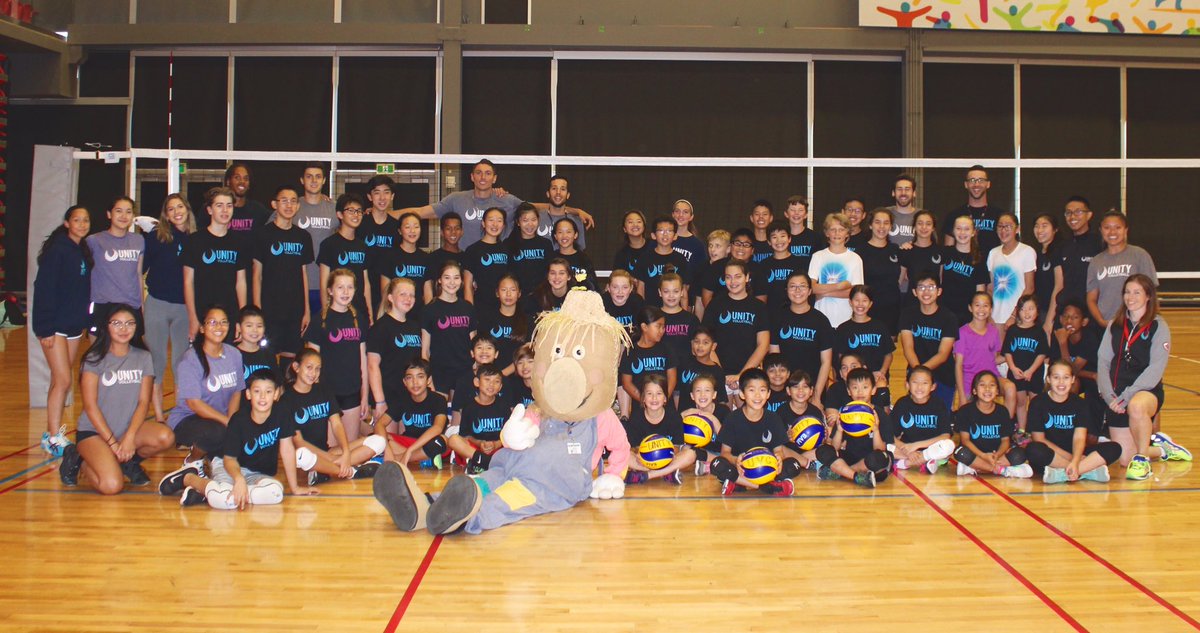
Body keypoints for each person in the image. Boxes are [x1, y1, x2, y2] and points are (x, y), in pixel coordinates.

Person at [159, 369, 317, 509]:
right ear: (248, 394)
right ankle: (189, 479)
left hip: (257, 473)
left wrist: (295, 487)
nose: (263, 397)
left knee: (276, 493)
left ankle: (209, 493)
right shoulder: (239, 420)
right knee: (226, 501)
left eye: (268, 392)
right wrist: (239, 479)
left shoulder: (282, 413)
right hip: (230, 467)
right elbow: (229, 459)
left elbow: (287, 449)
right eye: (257, 391)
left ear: (276, 394)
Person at [58, 304, 172, 493]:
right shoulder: (94, 358)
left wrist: (129, 438)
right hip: (95, 432)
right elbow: (90, 406)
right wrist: (112, 442)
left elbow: (143, 402)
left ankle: (125, 462)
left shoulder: (143, 357)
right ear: (107, 326)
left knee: (165, 437)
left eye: (130, 323)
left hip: (127, 429)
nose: (124, 329)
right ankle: (80, 460)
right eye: (117, 323)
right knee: (111, 486)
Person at [1096, 274, 1191, 480]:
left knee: (1137, 406)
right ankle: (1163, 449)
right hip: (1116, 398)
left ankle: (1143, 461)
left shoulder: (1158, 326)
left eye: (1137, 292)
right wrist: (1110, 396)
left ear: (1148, 296)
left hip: (1144, 393)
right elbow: (1102, 362)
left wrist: (1127, 396)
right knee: (1125, 459)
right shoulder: (1115, 324)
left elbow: (1155, 369)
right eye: (1127, 292)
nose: (1130, 297)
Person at [400, 159, 593, 248]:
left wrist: (576, 210)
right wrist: (386, 214)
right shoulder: (457, 198)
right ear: (472, 177)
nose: (483, 177)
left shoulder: (506, 199)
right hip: (466, 260)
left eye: (488, 173)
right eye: (478, 173)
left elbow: (535, 207)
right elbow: (422, 212)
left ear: (494, 178)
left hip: (499, 262)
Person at [32, 205, 93, 456]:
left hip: (73, 326)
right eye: (77, 220)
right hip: (54, 326)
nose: (82, 224)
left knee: (59, 380)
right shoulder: (57, 250)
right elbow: (43, 289)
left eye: (86, 220)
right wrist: (44, 328)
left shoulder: (82, 250)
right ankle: (53, 436)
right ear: (67, 223)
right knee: (64, 380)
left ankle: (51, 434)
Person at [278, 348, 386, 484]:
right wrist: (333, 459)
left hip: (328, 451)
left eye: (318, 369)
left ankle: (324, 470)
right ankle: (351, 472)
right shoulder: (287, 400)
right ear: (296, 367)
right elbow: (299, 442)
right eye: (309, 367)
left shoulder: (324, 391)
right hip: (305, 454)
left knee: (379, 441)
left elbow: (336, 424)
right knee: (301, 455)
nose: (313, 373)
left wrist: (345, 452)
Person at [167, 305, 244, 464]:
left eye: (223, 322)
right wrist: (227, 422)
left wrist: (232, 420)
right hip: (188, 418)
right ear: (202, 328)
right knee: (217, 433)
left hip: (220, 418)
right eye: (212, 322)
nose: (219, 327)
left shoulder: (234, 354)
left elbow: (237, 392)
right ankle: (192, 461)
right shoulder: (190, 359)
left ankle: (213, 458)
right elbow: (194, 404)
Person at [142, 194, 195, 423]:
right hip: (157, 304)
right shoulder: (156, 237)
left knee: (181, 362)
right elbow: (140, 269)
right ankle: (158, 415)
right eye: (171, 209)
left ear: (187, 209)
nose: (176, 212)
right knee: (157, 360)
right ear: (166, 214)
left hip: (184, 308)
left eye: (180, 207)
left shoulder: (195, 238)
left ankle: (180, 413)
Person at [1026, 360, 1122, 484]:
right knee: (1033, 449)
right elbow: (1039, 439)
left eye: (1066, 377)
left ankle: (1064, 474)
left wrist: (1076, 460)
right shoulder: (1038, 403)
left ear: (1072, 379)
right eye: (1056, 377)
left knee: (1115, 448)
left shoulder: (1080, 404)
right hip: (1051, 457)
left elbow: (1079, 437)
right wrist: (1073, 460)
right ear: (1048, 379)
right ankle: (1084, 470)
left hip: (1076, 453)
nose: (1061, 382)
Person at [709, 368, 797, 496]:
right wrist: (736, 460)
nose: (757, 395)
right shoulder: (732, 418)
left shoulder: (774, 418)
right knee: (717, 464)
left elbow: (779, 450)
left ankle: (739, 484)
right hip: (741, 469)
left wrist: (778, 459)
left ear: (768, 394)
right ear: (742, 394)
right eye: (751, 390)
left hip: (766, 468)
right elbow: (725, 453)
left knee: (793, 464)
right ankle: (767, 486)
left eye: (762, 390)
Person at [304, 268, 368, 443]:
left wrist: (364, 395)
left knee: (350, 446)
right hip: (327, 393)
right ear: (330, 291)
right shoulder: (319, 321)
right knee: (331, 448)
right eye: (340, 287)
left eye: (350, 287)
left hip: (352, 392)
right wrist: (314, 396)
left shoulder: (359, 319)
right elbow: (311, 363)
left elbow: (363, 361)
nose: (346, 292)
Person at [253, 186, 314, 360]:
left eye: (293, 201)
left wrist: (306, 310)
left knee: (291, 360)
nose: (289, 205)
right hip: (270, 309)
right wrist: (257, 310)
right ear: (274, 204)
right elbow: (257, 275)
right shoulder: (262, 234)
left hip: (295, 310)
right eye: (284, 201)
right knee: (267, 358)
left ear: (298, 206)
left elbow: (304, 274)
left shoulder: (303, 236)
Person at [182, 187, 248, 342]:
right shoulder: (194, 241)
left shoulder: (239, 242)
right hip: (203, 314)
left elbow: (241, 282)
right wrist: (193, 318)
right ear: (210, 210)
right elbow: (188, 282)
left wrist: (242, 318)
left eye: (229, 205)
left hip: (230, 315)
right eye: (219, 205)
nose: (225, 210)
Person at [702, 260, 770, 402]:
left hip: (748, 376)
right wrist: (721, 374)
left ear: (747, 277)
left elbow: (763, 345)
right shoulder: (715, 304)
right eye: (728, 277)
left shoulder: (759, 307)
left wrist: (741, 375)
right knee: (722, 415)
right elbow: (706, 342)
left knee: (748, 415)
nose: (733, 282)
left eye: (738, 276)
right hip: (719, 374)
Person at [813, 367, 890, 488]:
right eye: (855, 388)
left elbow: (880, 449)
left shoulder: (880, 414)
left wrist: (875, 430)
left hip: (869, 460)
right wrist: (839, 430)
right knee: (822, 450)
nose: (860, 392)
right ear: (849, 391)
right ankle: (857, 477)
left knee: (880, 459)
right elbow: (835, 447)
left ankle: (841, 472)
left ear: (873, 390)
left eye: (865, 387)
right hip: (848, 457)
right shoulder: (845, 413)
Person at [770, 271, 834, 408]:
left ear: (810, 291)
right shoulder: (778, 318)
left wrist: (816, 395)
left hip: (811, 389)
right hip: (784, 391)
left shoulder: (821, 321)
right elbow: (775, 358)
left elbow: (826, 362)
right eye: (793, 286)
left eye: (802, 286)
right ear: (786, 290)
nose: (797, 290)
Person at [952, 371, 1032, 478]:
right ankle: (1001, 470)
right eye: (982, 385)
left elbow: (1005, 440)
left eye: (992, 385)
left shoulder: (1002, 411)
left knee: (1020, 453)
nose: (987, 389)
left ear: (997, 391)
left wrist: (997, 455)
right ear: (974, 391)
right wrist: (983, 456)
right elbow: (965, 440)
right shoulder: (965, 411)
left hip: (997, 455)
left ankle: (977, 467)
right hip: (977, 454)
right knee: (960, 452)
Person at [1086, 211, 1158, 330]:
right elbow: (1091, 298)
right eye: (1107, 228)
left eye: (1118, 227)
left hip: (1135, 324)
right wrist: (1101, 321)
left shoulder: (1140, 255)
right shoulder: (1096, 261)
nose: (1112, 232)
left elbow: (1151, 292)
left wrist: (1145, 321)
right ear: (1101, 230)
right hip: (1106, 326)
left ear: (1126, 230)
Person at [86, 196, 145, 338]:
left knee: (131, 350)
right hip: (103, 305)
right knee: (100, 350)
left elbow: (138, 273)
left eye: (128, 212)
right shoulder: (94, 241)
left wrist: (141, 304)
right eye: (119, 211)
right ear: (109, 214)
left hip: (131, 305)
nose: (124, 216)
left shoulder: (138, 240)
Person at [898, 273, 959, 409]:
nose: (926, 291)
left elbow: (943, 354)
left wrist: (921, 373)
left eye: (931, 287)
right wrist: (918, 375)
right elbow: (908, 348)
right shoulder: (907, 314)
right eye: (921, 287)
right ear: (914, 292)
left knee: (941, 416)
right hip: (916, 372)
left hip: (943, 376)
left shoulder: (949, 318)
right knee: (917, 414)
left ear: (939, 291)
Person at [367, 277, 423, 423]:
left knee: (405, 437)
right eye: (402, 294)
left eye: (411, 295)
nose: (408, 299)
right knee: (386, 437)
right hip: (387, 395)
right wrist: (380, 401)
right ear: (390, 297)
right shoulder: (380, 328)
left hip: (409, 394)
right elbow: (372, 366)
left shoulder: (415, 326)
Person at [954, 292, 1018, 419]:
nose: (981, 309)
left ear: (991, 309)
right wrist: (962, 395)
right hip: (970, 379)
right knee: (970, 416)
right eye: (977, 305)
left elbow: (993, 359)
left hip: (991, 376)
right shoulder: (962, 332)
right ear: (970, 308)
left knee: (1010, 388)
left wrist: (1012, 354)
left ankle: (1005, 426)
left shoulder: (993, 331)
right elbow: (958, 365)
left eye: (985, 306)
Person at [623, 374, 695, 485]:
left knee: (690, 454)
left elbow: (676, 448)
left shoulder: (674, 417)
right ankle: (666, 473)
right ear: (643, 398)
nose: (654, 398)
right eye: (649, 394)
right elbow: (634, 448)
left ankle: (646, 475)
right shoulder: (636, 417)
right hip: (645, 461)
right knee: (624, 455)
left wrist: (662, 458)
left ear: (665, 398)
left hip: (668, 459)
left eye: (659, 393)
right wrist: (642, 456)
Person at [378, 358, 450, 469]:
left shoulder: (438, 400)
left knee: (440, 441)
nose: (415, 382)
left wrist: (410, 451)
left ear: (428, 380)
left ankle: (396, 459)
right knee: (377, 437)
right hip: (408, 442)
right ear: (404, 382)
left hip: (429, 443)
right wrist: (387, 449)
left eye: (420, 377)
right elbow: (379, 424)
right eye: (409, 378)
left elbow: (437, 428)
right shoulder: (401, 399)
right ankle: (422, 459)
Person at [421, 260, 476, 395]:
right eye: (447, 277)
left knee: (462, 408)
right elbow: (425, 351)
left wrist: (475, 368)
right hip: (440, 371)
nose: (452, 282)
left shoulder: (468, 308)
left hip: (464, 370)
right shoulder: (429, 310)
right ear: (439, 280)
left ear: (462, 281)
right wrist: (427, 376)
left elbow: (473, 344)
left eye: (456, 278)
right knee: (440, 408)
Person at [316, 193, 373, 321]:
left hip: (360, 311)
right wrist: (326, 314)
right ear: (340, 214)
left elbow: (365, 283)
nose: (356, 215)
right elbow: (324, 283)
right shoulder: (328, 244)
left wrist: (370, 313)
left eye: (359, 211)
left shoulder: (362, 246)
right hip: (336, 311)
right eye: (351, 211)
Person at [888, 366, 956, 473]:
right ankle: (927, 461)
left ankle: (907, 463)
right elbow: (889, 434)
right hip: (907, 449)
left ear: (933, 386)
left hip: (931, 449)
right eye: (915, 382)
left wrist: (916, 446)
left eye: (925, 383)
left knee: (949, 445)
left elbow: (945, 436)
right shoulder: (902, 404)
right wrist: (905, 449)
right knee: (886, 445)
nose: (919, 387)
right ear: (907, 385)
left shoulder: (938, 404)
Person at [446, 364, 510, 473]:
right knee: (453, 440)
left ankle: (479, 464)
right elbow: (466, 435)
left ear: (500, 387)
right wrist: (479, 443)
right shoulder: (469, 406)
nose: (491, 384)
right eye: (487, 380)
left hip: (497, 449)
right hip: (476, 450)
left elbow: (508, 434)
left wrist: (496, 444)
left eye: (496, 381)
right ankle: (485, 462)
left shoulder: (504, 406)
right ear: (477, 382)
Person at [1003, 295, 1050, 435]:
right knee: (1020, 402)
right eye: (1023, 309)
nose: (1027, 313)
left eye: (1031, 309)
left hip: (1034, 373)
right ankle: (1022, 430)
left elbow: (1042, 354)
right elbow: (1007, 352)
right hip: (1016, 372)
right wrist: (1012, 368)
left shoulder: (1039, 331)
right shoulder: (1012, 330)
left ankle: (1035, 430)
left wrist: (1031, 370)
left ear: (1037, 311)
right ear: (1018, 311)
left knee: (1035, 403)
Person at [833, 285, 892, 398]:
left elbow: (888, 354)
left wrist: (882, 372)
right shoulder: (843, 329)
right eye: (857, 300)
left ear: (870, 303)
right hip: (854, 383)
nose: (860, 304)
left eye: (864, 300)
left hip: (876, 380)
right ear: (850, 302)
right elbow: (840, 358)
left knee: (880, 407)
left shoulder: (880, 326)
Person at [296, 163, 339, 311]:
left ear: (324, 180)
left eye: (318, 176)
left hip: (327, 285)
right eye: (309, 176)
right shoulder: (292, 206)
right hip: (298, 284)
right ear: (302, 180)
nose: (314, 180)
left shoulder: (334, 208)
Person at [809, 212, 864, 328]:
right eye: (833, 229)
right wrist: (840, 286)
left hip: (846, 318)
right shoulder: (818, 256)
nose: (837, 233)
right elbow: (811, 288)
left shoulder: (855, 258)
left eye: (841, 229)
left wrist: (824, 292)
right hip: (821, 318)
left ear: (847, 233)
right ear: (827, 233)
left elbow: (856, 293)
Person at [619, 306, 678, 409]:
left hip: (665, 407)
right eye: (658, 326)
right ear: (644, 327)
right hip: (641, 408)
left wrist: (663, 399)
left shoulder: (666, 348)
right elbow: (627, 383)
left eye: (663, 327)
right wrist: (645, 401)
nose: (662, 330)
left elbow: (672, 378)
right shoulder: (631, 351)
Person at [859, 209, 905, 335]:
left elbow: (899, 279)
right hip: (868, 308)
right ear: (870, 225)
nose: (882, 226)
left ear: (890, 226)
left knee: (890, 345)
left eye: (886, 223)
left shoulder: (895, 249)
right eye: (877, 222)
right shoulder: (861, 251)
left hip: (892, 308)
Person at [1056, 195, 1104, 318]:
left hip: (1092, 314)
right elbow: (1059, 284)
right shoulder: (1063, 246)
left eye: (1078, 212)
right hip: (1066, 314)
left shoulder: (1100, 244)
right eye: (1068, 213)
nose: (1072, 217)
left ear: (1089, 215)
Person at [986, 213, 1036, 328]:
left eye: (1008, 226)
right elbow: (990, 288)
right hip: (995, 317)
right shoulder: (993, 253)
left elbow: (1029, 288)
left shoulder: (1027, 251)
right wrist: (988, 314)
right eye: (1000, 226)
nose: (1003, 230)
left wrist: (1014, 315)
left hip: (1019, 317)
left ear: (1017, 229)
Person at [940, 165, 1003, 254]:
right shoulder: (954, 215)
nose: (976, 184)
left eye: (981, 180)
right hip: (962, 263)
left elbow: (1006, 249)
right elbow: (948, 252)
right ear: (966, 184)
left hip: (992, 263)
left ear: (988, 184)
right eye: (972, 180)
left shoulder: (999, 215)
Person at [380, 212, 431, 320]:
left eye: (416, 227)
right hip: (395, 315)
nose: (412, 231)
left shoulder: (426, 258)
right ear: (400, 231)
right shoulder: (389, 256)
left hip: (418, 316)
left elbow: (428, 292)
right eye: (407, 227)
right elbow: (385, 290)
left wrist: (428, 317)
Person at [940, 215, 990, 325]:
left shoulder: (979, 259)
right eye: (958, 228)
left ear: (973, 232)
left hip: (967, 316)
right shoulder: (945, 252)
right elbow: (939, 280)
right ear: (953, 231)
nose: (962, 233)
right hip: (945, 312)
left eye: (967, 229)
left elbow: (980, 293)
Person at [359, 175, 400, 306]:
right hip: (362, 288)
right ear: (370, 196)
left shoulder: (397, 227)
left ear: (392, 196)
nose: (382, 198)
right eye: (377, 193)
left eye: (386, 192)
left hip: (388, 291)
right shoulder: (360, 224)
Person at [477, 274, 530, 373]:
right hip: (490, 375)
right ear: (497, 293)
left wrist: (503, 374)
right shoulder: (487, 319)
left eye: (513, 290)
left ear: (519, 293)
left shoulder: (527, 321)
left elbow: (526, 354)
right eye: (504, 290)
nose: (508, 294)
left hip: (518, 375)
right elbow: (481, 348)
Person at [635, 215, 691, 308]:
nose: (665, 234)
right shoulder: (645, 258)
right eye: (661, 231)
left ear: (675, 236)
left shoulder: (681, 259)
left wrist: (684, 313)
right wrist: (642, 311)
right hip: (651, 311)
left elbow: (683, 290)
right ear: (653, 235)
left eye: (669, 231)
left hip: (673, 310)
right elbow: (640, 289)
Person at [462, 207, 510, 311]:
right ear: (483, 223)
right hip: (481, 307)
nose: (495, 224)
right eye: (491, 220)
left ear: (503, 225)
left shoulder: (507, 249)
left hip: (504, 308)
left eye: (499, 221)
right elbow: (468, 286)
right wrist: (469, 312)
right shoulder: (472, 250)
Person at [684, 372, 731, 475]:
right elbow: (676, 434)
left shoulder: (723, 411)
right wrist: (681, 415)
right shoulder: (690, 413)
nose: (702, 394)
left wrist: (712, 418)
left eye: (707, 390)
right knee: (685, 449)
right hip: (698, 451)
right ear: (692, 396)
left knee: (728, 458)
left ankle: (710, 466)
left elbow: (727, 440)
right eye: (698, 391)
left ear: (714, 394)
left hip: (719, 453)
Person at [677, 325, 729, 410]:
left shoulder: (717, 371)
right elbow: (677, 392)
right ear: (692, 343)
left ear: (713, 346)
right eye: (697, 341)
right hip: (684, 414)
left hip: (706, 416)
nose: (700, 346)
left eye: (705, 343)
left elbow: (721, 401)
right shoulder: (684, 363)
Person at [507, 202, 553, 295]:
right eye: (525, 220)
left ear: (538, 220)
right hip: (517, 296)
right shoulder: (508, 244)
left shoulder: (545, 244)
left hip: (542, 295)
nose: (530, 224)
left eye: (533, 220)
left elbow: (550, 271)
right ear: (518, 222)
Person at [898, 210, 940, 311]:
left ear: (933, 228)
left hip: (934, 304)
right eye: (920, 223)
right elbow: (899, 281)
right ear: (914, 227)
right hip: (911, 303)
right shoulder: (906, 251)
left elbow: (940, 280)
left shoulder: (940, 251)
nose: (924, 227)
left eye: (928, 224)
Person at [761, 221, 805, 309]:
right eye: (774, 237)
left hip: (794, 312)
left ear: (789, 239)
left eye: (782, 236)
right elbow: (761, 294)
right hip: (771, 313)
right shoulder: (763, 265)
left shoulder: (800, 263)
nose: (779, 240)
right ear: (769, 241)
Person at [1032, 213, 1064, 333]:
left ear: (1055, 229)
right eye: (1036, 226)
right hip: (1038, 312)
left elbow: (1059, 286)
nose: (1039, 230)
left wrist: (1049, 320)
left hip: (1052, 312)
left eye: (1044, 226)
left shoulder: (1058, 251)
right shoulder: (1035, 254)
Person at [658, 272, 699, 363]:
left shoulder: (691, 319)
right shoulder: (654, 318)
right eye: (666, 291)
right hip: (661, 367)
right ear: (660, 292)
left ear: (682, 292)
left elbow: (698, 347)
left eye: (675, 291)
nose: (671, 295)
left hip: (686, 367)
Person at [425, 212, 465, 303]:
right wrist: (430, 308)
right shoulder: (432, 258)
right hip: (438, 308)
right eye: (448, 229)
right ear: (442, 232)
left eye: (457, 228)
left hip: (461, 308)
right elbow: (428, 288)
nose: (453, 232)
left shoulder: (467, 257)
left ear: (462, 232)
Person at [670, 199, 706, 300]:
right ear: (673, 214)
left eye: (685, 212)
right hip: (664, 293)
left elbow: (700, 274)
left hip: (686, 296)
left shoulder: (697, 245)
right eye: (677, 211)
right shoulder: (664, 239)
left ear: (691, 217)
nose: (680, 215)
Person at [220, 163, 269, 235]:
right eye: (237, 177)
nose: (242, 182)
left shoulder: (258, 210)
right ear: (228, 182)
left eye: (246, 179)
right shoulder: (218, 209)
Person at [541, 175, 588, 249]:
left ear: (568, 195)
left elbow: (579, 250)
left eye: (563, 189)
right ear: (548, 194)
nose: (558, 192)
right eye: (554, 188)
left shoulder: (577, 221)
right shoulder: (536, 219)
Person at [553, 217, 597, 290]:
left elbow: (593, 285)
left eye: (568, 232)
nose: (564, 236)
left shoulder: (583, 258)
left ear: (575, 235)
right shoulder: (551, 258)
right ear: (555, 236)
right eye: (560, 232)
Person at [234, 306, 276, 380]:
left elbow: (277, 381)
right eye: (249, 326)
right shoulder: (232, 353)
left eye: (259, 326)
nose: (255, 330)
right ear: (238, 327)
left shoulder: (268, 353)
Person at [603, 269, 643, 337]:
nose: (620, 292)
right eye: (615, 287)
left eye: (625, 287)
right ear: (608, 288)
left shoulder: (638, 302)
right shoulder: (601, 303)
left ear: (631, 288)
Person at [887, 173, 921, 247]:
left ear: (914, 193)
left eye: (907, 189)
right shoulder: (884, 214)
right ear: (893, 193)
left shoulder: (922, 216)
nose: (903, 193)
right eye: (899, 189)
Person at [611, 209, 649, 275]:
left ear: (644, 226)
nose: (635, 225)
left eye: (639, 221)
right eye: (630, 222)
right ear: (624, 229)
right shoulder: (621, 255)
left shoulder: (655, 246)